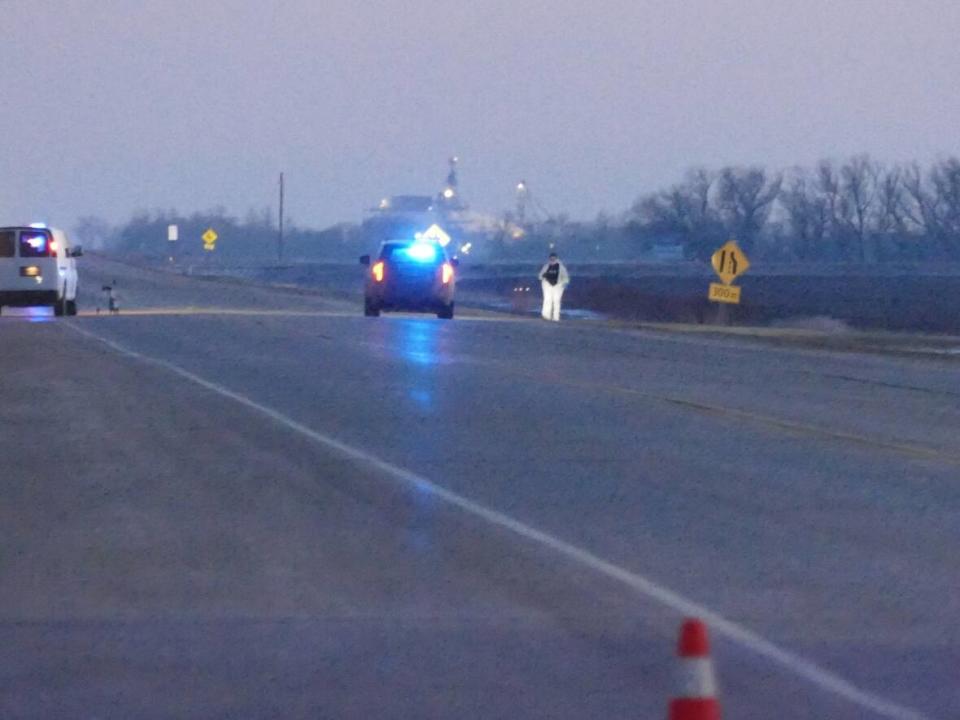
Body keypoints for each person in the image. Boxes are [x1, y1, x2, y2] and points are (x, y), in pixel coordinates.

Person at [538, 252, 570, 321]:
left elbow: (566, 277)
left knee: (556, 301)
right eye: (551, 258)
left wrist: (564, 284)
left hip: (558, 286)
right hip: (547, 285)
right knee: (547, 300)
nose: (552, 259)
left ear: (556, 258)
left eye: (554, 258)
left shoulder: (561, 267)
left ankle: (556, 317)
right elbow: (540, 276)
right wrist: (544, 277)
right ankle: (546, 316)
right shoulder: (546, 266)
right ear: (549, 258)